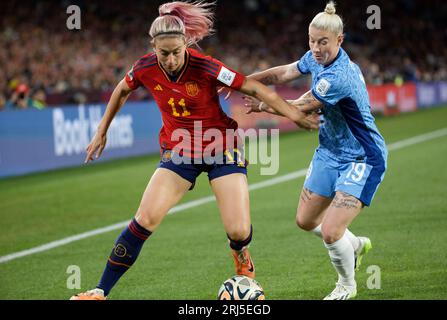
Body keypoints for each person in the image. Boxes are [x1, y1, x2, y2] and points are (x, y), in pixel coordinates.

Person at [70, 1, 318, 300]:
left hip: (220, 147)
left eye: (177, 51)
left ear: (186, 43)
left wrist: (293, 114)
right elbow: (122, 89)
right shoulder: (145, 67)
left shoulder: (206, 66)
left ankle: (240, 252)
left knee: (239, 231)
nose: (172, 59)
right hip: (179, 152)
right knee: (144, 220)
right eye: (165, 53)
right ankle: (100, 291)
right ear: (154, 47)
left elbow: (254, 89)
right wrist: (101, 131)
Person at [242, 1, 387, 300]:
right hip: (329, 152)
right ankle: (355, 246)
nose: (317, 48)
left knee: (332, 231)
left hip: (362, 156)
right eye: (312, 41)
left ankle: (347, 285)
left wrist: (263, 104)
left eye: (323, 42)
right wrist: (245, 81)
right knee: (306, 221)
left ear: (340, 40)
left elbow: (301, 107)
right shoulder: (315, 59)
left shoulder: (340, 76)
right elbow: (283, 73)